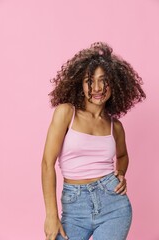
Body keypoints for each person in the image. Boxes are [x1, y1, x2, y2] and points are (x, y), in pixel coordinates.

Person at [41, 42, 146, 240]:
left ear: (113, 83)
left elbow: (122, 156)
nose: (97, 88)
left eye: (104, 80)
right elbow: (47, 164)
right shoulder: (66, 113)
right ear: (80, 83)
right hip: (74, 209)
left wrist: (121, 173)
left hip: (114, 207)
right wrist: (51, 215)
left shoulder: (115, 126)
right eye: (90, 80)